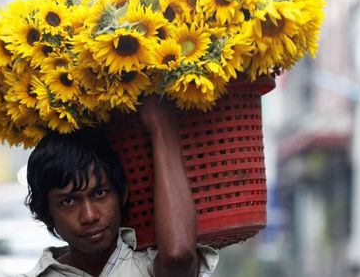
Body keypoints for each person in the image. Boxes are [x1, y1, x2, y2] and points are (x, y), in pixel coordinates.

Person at [23, 96, 218, 276]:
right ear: (45, 211)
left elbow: (179, 257)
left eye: (99, 193)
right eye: (68, 201)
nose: (89, 216)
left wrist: (161, 126)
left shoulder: (143, 266)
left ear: (122, 193)